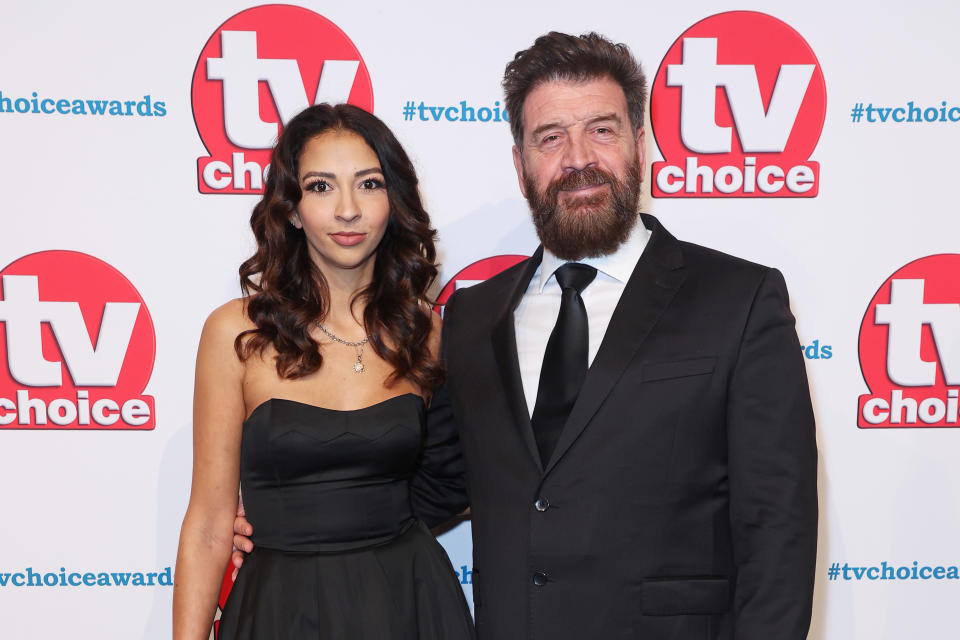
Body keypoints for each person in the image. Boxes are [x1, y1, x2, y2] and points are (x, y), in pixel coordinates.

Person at [234, 32, 818, 639]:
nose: (578, 158)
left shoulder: (738, 300)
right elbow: (437, 484)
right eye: (550, 137)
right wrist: (292, 514)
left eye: (602, 129)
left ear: (640, 145)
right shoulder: (472, 317)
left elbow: (778, 527)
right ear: (520, 164)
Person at [173, 103, 474, 639]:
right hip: (281, 611)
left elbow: (458, 473)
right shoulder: (235, 334)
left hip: (409, 603)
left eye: (369, 183)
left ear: (393, 199)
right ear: (290, 209)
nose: (348, 210)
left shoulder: (425, 332)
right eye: (320, 187)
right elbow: (207, 527)